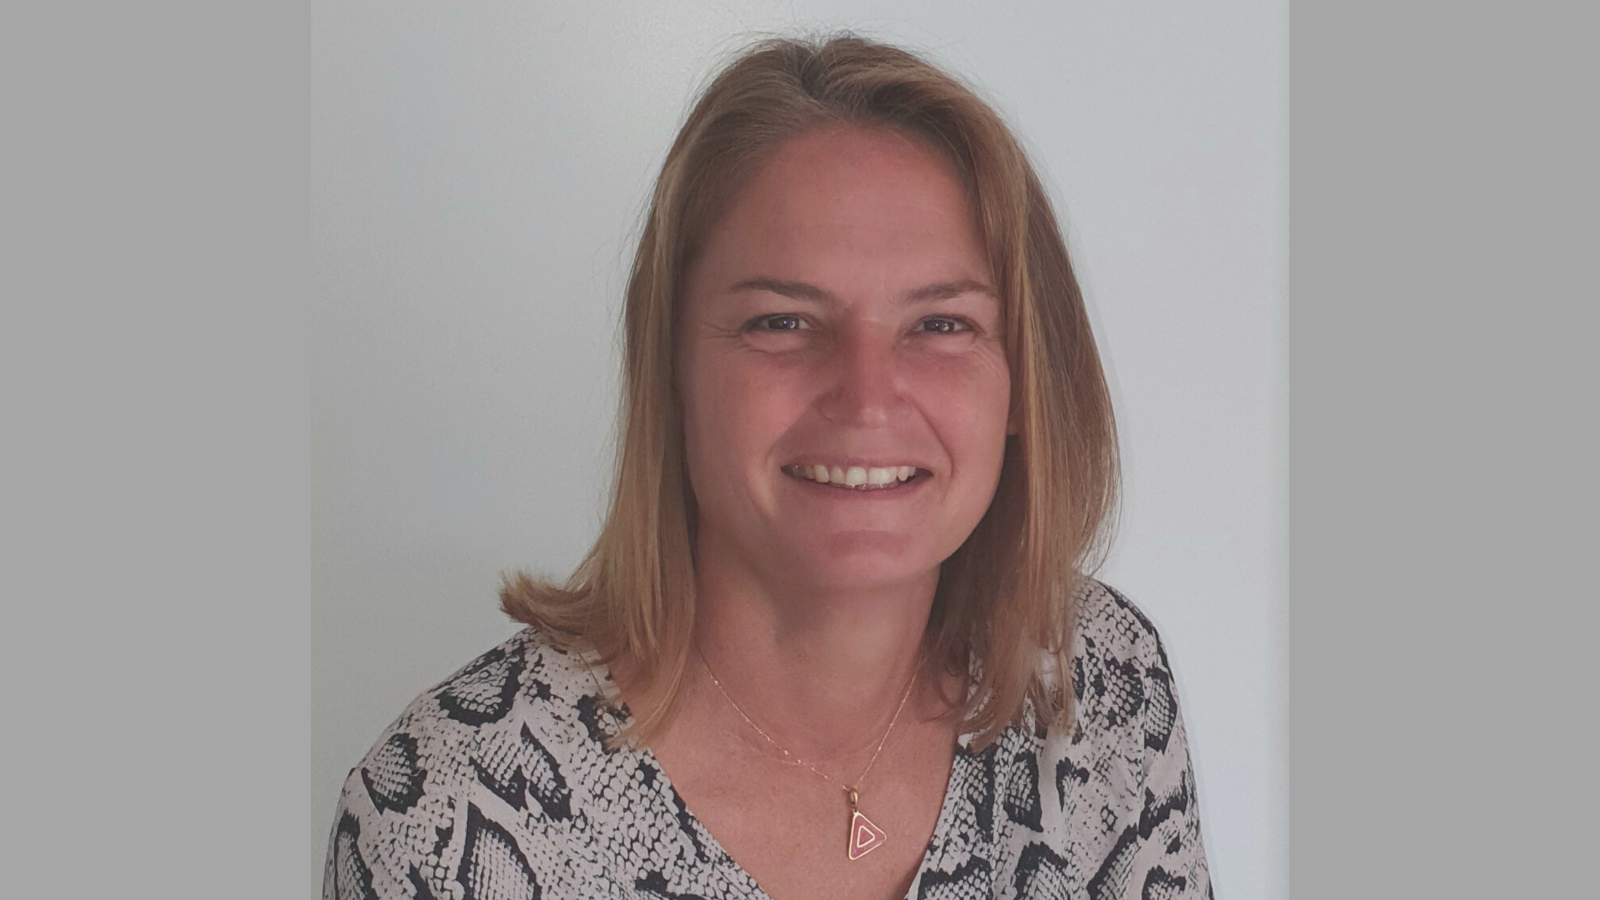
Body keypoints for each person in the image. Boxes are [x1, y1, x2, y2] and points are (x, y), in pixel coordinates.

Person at [324, 35, 1211, 900]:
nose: (867, 399)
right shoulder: (451, 819)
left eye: (941, 325)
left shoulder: (1097, 689)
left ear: (1025, 383)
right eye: (782, 322)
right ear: (669, 368)